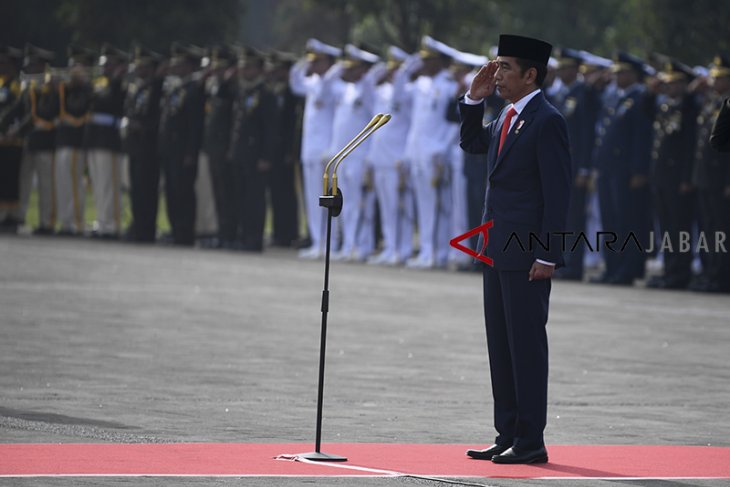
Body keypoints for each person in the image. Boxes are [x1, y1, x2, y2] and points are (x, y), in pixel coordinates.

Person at [459, 34, 571, 464]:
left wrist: (548, 254)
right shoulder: (507, 114)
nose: (497, 73)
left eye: (506, 67)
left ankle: (531, 440)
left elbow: (557, 194)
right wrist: (473, 99)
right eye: (497, 65)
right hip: (496, 247)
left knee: (525, 345)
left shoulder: (547, 120)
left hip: (526, 253)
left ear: (531, 74)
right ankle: (507, 432)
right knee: (501, 345)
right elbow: (472, 144)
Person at [591, 52, 654, 285]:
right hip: (609, 169)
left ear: (634, 75)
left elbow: (641, 138)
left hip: (627, 171)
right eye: (616, 73)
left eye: (622, 73)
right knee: (610, 220)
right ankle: (612, 266)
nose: (617, 77)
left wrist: (639, 171)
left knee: (627, 221)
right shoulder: (613, 97)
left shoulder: (640, 98)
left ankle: (628, 269)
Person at [405, 36, 458, 269]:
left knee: (438, 205)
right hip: (418, 152)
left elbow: (454, 123)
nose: (423, 65)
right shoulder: (421, 85)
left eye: (429, 60)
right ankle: (427, 250)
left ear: (440, 62)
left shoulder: (449, 86)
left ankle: (438, 252)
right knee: (424, 204)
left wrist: (442, 149)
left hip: (436, 153)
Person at [645, 60, 699, 290]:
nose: (670, 87)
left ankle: (680, 272)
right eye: (668, 83)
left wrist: (687, 178)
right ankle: (669, 270)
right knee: (666, 227)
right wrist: (651, 91)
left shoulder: (690, 108)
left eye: (675, 83)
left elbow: (690, 148)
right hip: (662, 177)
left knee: (679, 228)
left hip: (679, 179)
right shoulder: (667, 106)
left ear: (685, 85)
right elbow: (645, 110)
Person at [289, 38, 342, 260]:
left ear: (329, 63)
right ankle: (316, 241)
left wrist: (332, 67)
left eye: (318, 62)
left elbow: (326, 94)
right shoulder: (312, 82)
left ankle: (332, 243)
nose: (314, 66)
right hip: (309, 150)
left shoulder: (335, 86)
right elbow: (294, 82)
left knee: (330, 201)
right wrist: (305, 61)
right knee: (312, 199)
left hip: (326, 153)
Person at [228, 47, 277, 252]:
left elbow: (271, 129)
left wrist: (266, 156)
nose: (244, 71)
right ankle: (241, 235)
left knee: (255, 199)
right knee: (239, 196)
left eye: (248, 68)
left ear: (258, 70)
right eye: (242, 67)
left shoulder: (266, 94)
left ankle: (254, 238)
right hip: (241, 153)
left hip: (257, 155)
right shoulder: (242, 91)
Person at [158, 43, 205, 246]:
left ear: (189, 67)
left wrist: (190, 152)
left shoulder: (194, 90)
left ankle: (185, 232)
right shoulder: (175, 88)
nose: (175, 68)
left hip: (184, 150)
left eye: (180, 64)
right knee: (171, 191)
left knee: (184, 192)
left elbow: (195, 125)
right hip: (171, 149)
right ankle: (175, 229)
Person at [690, 55, 730, 293]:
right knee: (708, 229)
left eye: (720, 78)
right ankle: (710, 272)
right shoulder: (713, 103)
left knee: (721, 230)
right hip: (706, 177)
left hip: (721, 179)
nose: (714, 82)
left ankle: (721, 276)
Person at [85, 44, 128, 239]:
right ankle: (102, 221)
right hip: (95, 140)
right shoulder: (101, 84)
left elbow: (115, 105)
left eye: (110, 65)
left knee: (110, 186)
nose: (105, 68)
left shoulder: (120, 85)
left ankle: (112, 224)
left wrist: (118, 78)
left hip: (109, 141)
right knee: (99, 185)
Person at [123, 47, 163, 243]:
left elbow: (157, 118)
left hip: (149, 147)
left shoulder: (157, 88)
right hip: (135, 145)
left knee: (148, 189)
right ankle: (137, 224)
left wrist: (143, 126)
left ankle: (147, 228)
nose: (139, 70)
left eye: (144, 67)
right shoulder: (137, 88)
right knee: (136, 189)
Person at [55, 46, 94, 236]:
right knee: (63, 185)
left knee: (75, 185)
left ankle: (76, 222)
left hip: (76, 142)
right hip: (63, 142)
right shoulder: (67, 89)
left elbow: (78, 109)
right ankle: (66, 221)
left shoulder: (87, 89)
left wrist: (81, 84)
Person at [0, 46, 24, 233]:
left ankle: (11, 216)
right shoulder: (1, 83)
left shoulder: (17, 85)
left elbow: (17, 110)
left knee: (10, 178)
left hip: (12, 139)